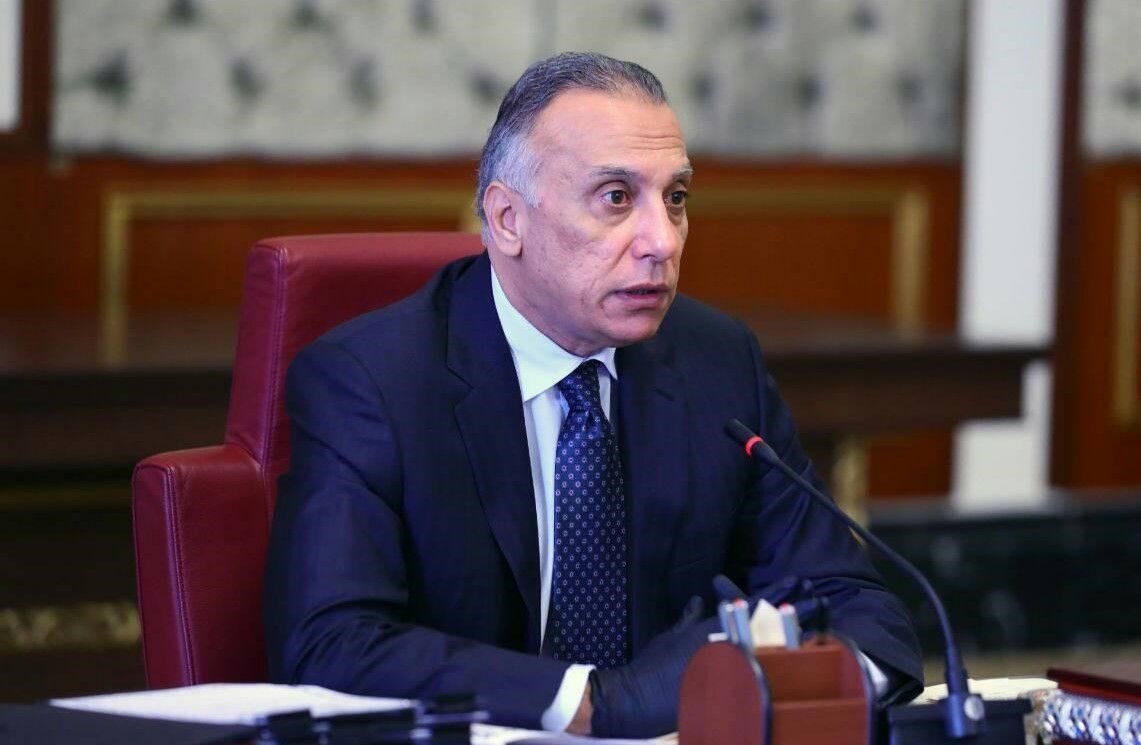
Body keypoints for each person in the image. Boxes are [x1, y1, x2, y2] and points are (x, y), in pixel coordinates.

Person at [263, 51, 922, 737]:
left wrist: (797, 680)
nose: (662, 241)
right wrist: (595, 701)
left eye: (676, 197)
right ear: (508, 219)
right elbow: (329, 642)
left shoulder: (717, 362)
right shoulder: (371, 380)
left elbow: (858, 606)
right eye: (615, 197)